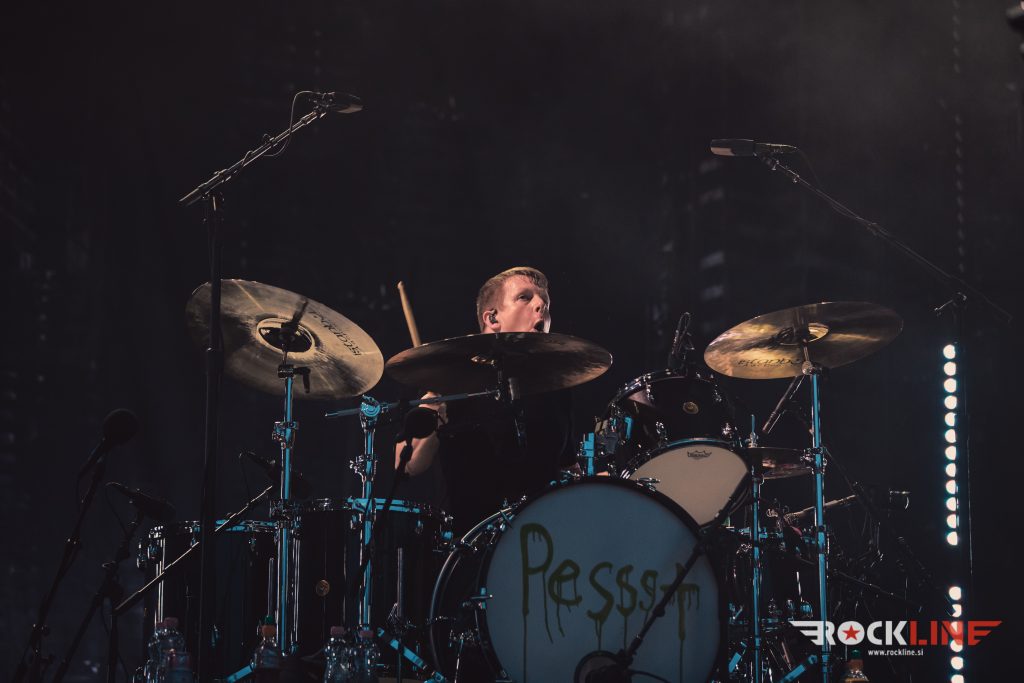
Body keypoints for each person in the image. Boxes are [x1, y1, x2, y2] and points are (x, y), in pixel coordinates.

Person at [394, 266, 576, 535]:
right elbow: (406, 466)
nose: (541, 306)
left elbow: (569, 469)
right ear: (492, 318)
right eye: (524, 297)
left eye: (546, 302)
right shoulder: (453, 378)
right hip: (471, 540)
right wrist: (433, 409)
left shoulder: (556, 385)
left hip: (543, 539)